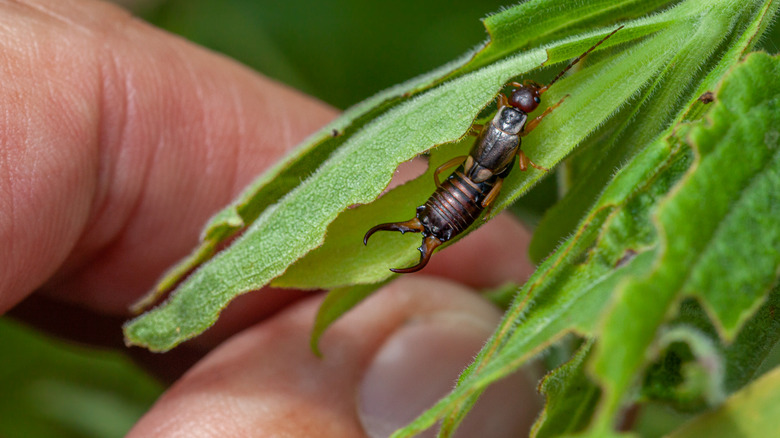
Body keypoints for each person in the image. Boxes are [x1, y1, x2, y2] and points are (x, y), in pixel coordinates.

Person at [1, 0, 541, 436]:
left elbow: (485, 162)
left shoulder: (499, 126)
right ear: (522, 110)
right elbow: (503, 166)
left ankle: (424, 230)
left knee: (470, 184)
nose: (521, 102)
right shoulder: (513, 133)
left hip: (463, 188)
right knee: (474, 187)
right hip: (467, 192)